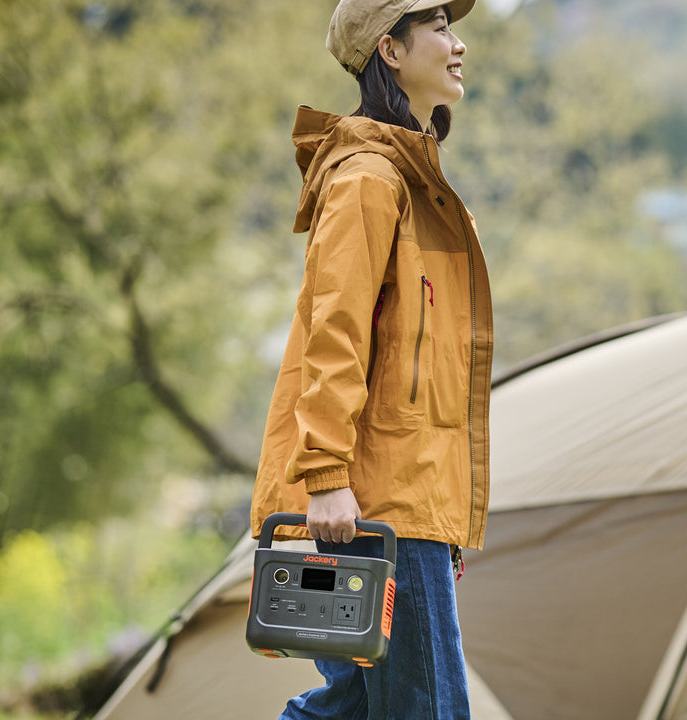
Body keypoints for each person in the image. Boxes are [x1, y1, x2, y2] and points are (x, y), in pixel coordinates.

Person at [249, 0, 489, 717]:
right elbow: (335, 334)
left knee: (354, 708)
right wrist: (325, 477)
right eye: (439, 27)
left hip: (407, 499)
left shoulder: (415, 181)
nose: (458, 44)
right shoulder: (369, 180)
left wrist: (441, 514)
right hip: (373, 503)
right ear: (390, 50)